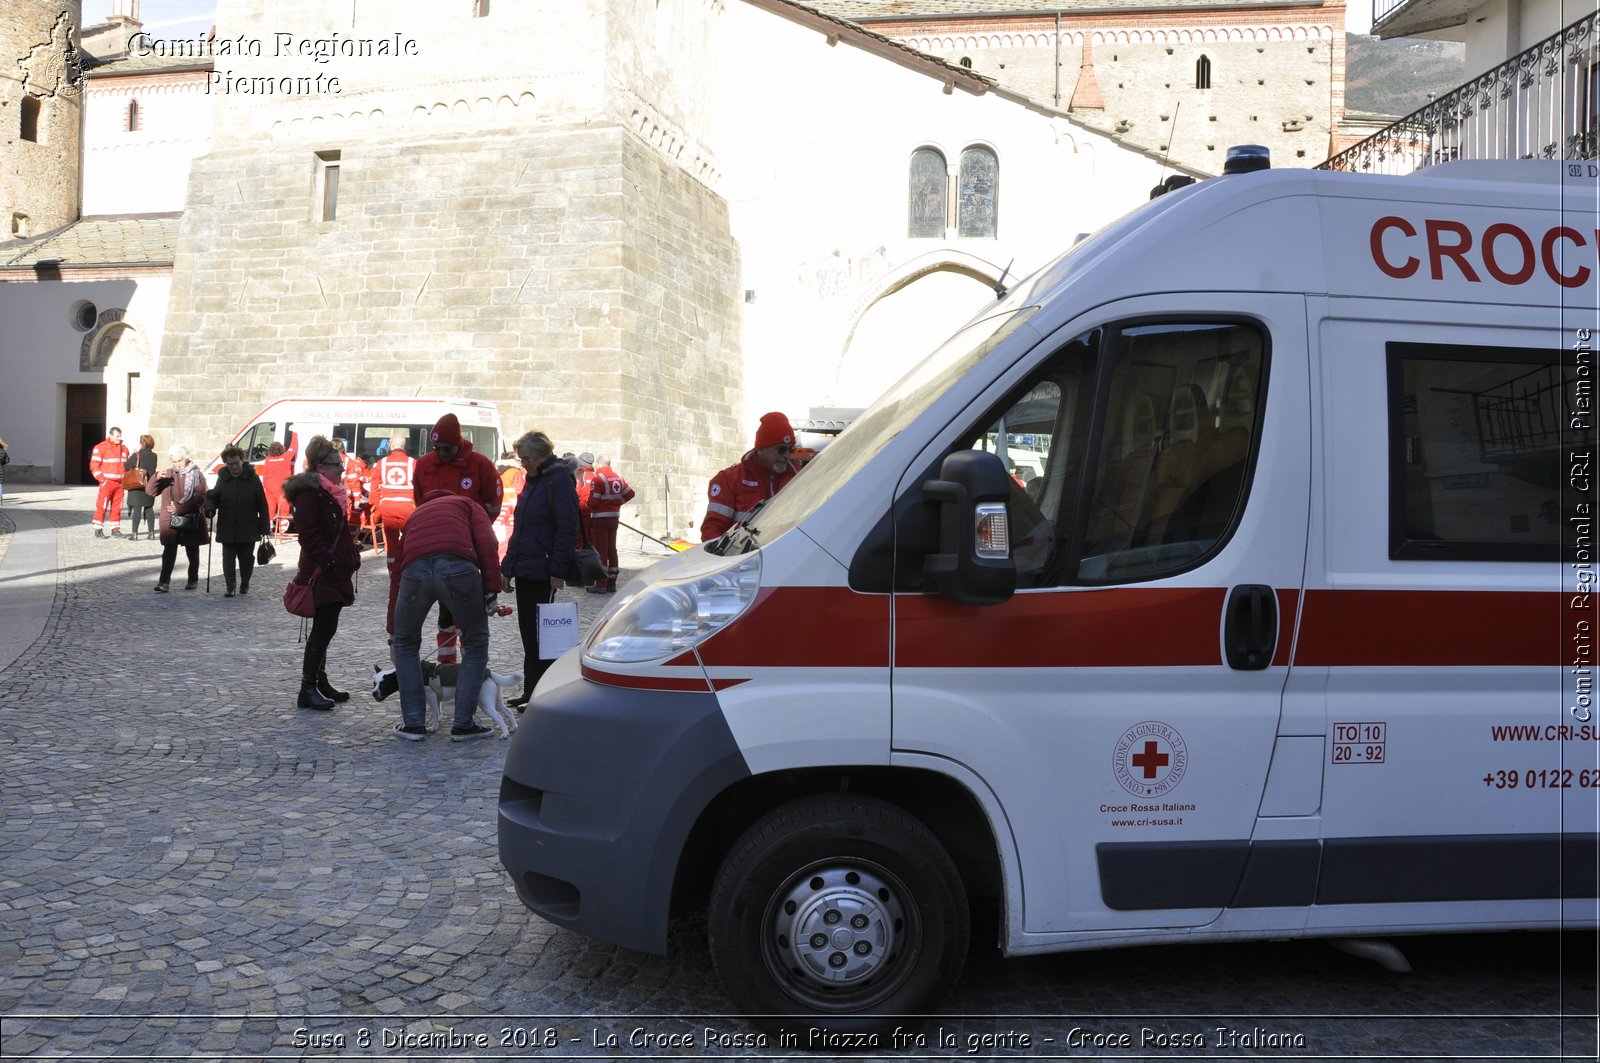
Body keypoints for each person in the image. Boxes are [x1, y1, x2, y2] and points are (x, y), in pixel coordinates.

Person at [385, 489, 503, 742]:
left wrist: (393, 632)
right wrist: (492, 590)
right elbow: (487, 543)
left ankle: (413, 725)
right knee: (475, 642)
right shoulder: (468, 503)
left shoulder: (415, 516)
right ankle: (463, 725)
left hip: (414, 573)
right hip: (458, 568)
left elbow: (397, 573)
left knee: (405, 645)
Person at [412, 414, 503, 668]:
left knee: (468, 608)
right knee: (444, 607)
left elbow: (492, 504)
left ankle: (471, 666)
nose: (442, 454)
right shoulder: (424, 466)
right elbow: (420, 503)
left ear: (459, 442)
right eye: (437, 449)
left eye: (447, 449)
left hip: (468, 550)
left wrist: (475, 533)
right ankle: (447, 666)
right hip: (436, 548)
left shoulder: (480, 465)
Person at [282, 435, 362, 710]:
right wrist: (330, 561)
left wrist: (350, 553)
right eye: (336, 465)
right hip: (321, 572)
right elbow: (308, 534)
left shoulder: (331, 493)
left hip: (333, 570)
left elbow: (333, 532)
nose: (342, 469)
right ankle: (307, 688)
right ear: (320, 468)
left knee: (327, 629)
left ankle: (319, 681)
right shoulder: (310, 494)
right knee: (322, 631)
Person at [500, 430, 578, 709]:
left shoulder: (557, 481)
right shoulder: (535, 481)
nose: (523, 464)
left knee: (542, 636)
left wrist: (558, 569)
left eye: (527, 458)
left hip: (543, 569)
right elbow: (520, 529)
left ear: (543, 455)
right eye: (521, 459)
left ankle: (541, 694)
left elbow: (567, 528)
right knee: (528, 634)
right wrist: (508, 567)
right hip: (526, 567)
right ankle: (531, 691)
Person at [700, 411, 804, 541]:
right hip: (744, 557)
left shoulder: (798, 477)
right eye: (781, 449)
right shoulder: (729, 480)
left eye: (791, 449)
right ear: (760, 449)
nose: (786, 455)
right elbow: (712, 530)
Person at [205, 445, 271, 597]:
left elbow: (262, 503)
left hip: (248, 525)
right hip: (227, 525)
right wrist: (210, 508)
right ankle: (230, 587)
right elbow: (213, 497)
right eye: (231, 464)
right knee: (228, 558)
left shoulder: (252, 479)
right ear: (226, 464)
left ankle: (245, 582)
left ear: (242, 461)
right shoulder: (223, 479)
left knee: (246, 559)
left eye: (236, 463)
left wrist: (264, 527)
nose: (234, 467)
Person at [149, 446, 210, 592]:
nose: (177, 464)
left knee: (192, 551)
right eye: (174, 461)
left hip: (191, 517)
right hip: (170, 519)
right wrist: (156, 478)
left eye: (180, 460)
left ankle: (192, 579)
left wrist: (180, 508)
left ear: (187, 458)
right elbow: (150, 491)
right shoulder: (167, 475)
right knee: (169, 551)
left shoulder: (197, 475)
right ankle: (164, 582)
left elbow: (200, 498)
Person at [585, 454, 635, 593]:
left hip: (600, 518)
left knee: (601, 551)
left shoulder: (598, 479)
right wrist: (617, 504)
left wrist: (589, 506)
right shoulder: (617, 477)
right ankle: (611, 582)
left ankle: (601, 583)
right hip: (614, 517)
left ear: (599, 464)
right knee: (612, 550)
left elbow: (593, 502)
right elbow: (630, 493)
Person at [370, 433, 416, 536]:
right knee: (408, 539)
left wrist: (379, 507)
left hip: (387, 507)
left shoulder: (381, 463)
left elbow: (374, 489)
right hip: (408, 507)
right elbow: (421, 486)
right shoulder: (413, 463)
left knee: (391, 543)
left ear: (392, 445)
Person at [89, 427, 130, 537]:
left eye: (120, 435)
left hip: (120, 484)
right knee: (102, 506)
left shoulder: (124, 449)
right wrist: (101, 479)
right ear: (110, 436)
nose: (119, 438)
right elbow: (94, 465)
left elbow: (127, 466)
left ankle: (115, 529)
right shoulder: (101, 447)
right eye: (117, 436)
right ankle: (98, 529)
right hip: (107, 482)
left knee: (117, 507)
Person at [125, 434, 159, 540]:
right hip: (149, 484)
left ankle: (134, 534)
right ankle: (151, 533)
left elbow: (126, 466)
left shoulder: (136, 455)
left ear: (141, 443)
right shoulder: (154, 456)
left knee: (137, 509)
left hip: (137, 485)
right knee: (149, 509)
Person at [262, 441, 295, 537]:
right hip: (280, 484)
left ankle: (269, 524)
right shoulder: (286, 456)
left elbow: (265, 473)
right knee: (283, 501)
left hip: (269, 484)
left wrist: (265, 485)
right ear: (281, 449)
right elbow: (293, 446)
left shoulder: (268, 459)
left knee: (270, 505)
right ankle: (283, 522)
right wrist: (295, 432)